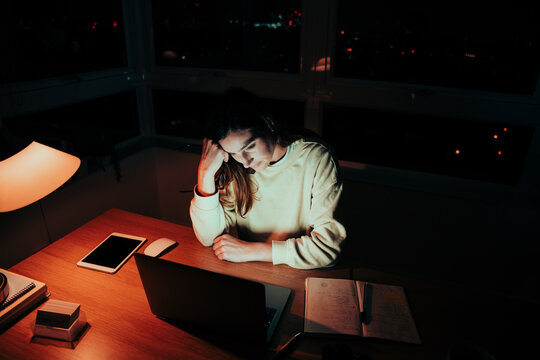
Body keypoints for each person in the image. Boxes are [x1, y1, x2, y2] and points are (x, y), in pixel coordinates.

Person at [189, 89, 346, 269]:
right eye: (234, 153)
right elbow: (208, 238)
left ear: (269, 124)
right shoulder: (237, 167)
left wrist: (250, 251)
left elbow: (327, 249)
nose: (246, 162)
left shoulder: (316, 157)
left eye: (249, 146)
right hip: (254, 269)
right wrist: (205, 173)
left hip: (297, 271)